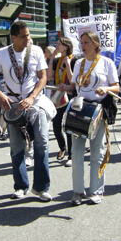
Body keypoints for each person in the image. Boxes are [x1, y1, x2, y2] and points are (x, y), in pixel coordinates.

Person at [0, 21, 55, 202]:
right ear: (14, 37)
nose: (28, 38)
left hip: (35, 102)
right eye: (24, 36)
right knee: (16, 147)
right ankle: (21, 186)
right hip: (13, 105)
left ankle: (41, 187)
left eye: (28, 34)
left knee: (42, 141)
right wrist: (0, 94)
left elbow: (43, 77)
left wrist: (32, 97)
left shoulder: (36, 51)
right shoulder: (1, 54)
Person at [61, 31, 119, 205]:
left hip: (98, 112)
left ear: (95, 44)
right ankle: (78, 191)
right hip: (79, 110)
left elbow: (116, 87)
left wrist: (106, 89)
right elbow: (74, 87)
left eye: (86, 42)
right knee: (77, 153)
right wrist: (65, 87)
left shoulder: (106, 62)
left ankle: (97, 190)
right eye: (81, 42)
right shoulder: (78, 63)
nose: (83, 46)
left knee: (97, 153)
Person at [47, 37, 77, 166]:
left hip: (70, 95)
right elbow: (49, 76)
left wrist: (68, 64)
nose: (57, 46)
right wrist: (52, 59)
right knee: (56, 125)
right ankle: (62, 147)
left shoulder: (75, 60)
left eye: (59, 44)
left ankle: (71, 155)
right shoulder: (57, 60)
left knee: (69, 127)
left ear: (66, 46)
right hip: (58, 96)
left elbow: (72, 81)